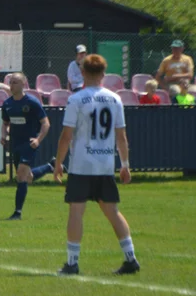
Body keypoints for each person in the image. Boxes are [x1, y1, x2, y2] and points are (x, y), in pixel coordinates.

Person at [53, 53, 139, 276]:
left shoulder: (76, 99)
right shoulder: (115, 99)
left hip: (82, 164)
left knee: (76, 211)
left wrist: (58, 163)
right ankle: (131, 258)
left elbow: (66, 136)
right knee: (113, 212)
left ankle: (72, 263)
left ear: (82, 73)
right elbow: (122, 136)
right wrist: (125, 164)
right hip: (104, 164)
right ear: (103, 74)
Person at [0, 73, 54, 220]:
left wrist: (38, 140)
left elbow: (45, 123)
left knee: (21, 175)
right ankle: (50, 166)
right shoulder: (7, 104)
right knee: (27, 177)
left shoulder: (32, 102)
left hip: (29, 144)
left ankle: (17, 212)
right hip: (15, 144)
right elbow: (5, 124)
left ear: (24, 84)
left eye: (15, 82)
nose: (12, 85)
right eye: (11, 82)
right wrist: (4, 136)